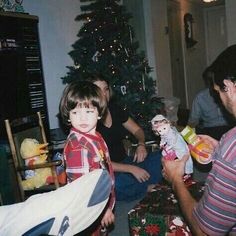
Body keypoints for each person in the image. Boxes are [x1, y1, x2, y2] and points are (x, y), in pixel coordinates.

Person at [162, 45, 236, 235]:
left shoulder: (232, 145)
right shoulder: (228, 146)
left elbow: (205, 232)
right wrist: (220, 148)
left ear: (228, 86)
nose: (220, 99)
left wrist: (176, 180)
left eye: (219, 92)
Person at [90, 75, 162, 201]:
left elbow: (137, 130)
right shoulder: (89, 120)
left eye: (106, 89)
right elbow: (100, 163)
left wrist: (141, 144)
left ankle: (141, 183)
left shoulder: (115, 109)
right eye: (98, 90)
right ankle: (146, 187)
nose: (103, 94)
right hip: (109, 170)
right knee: (115, 185)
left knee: (160, 156)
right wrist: (131, 169)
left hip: (126, 161)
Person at [59, 80, 115, 235]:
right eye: (76, 112)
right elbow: (83, 188)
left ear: (99, 113)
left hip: (99, 200)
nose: (82, 118)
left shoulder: (95, 136)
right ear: (68, 116)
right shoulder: (79, 148)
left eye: (89, 111)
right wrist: (102, 210)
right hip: (89, 208)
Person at [188, 66, 234, 140]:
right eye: (209, 80)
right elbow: (193, 122)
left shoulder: (229, 93)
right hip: (211, 132)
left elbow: (192, 122)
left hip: (228, 129)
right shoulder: (200, 97)